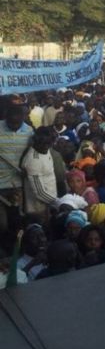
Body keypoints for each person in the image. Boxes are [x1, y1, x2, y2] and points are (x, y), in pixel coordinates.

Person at [0, 104, 33, 249]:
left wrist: (28, 169)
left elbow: (32, 155)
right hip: (0, 185)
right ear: (5, 117)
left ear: (22, 118)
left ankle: (15, 250)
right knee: (2, 224)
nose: (13, 125)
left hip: (18, 185)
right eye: (10, 122)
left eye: (17, 122)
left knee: (17, 220)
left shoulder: (30, 132)